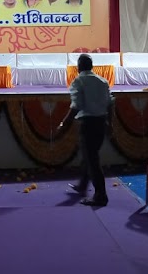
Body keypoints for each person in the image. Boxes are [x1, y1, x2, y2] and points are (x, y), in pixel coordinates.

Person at [58, 54, 113, 207]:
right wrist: (110, 124)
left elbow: (76, 106)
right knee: (89, 155)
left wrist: (64, 124)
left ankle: (101, 195)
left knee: (92, 160)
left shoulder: (78, 81)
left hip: (88, 124)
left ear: (78, 68)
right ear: (92, 66)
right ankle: (83, 185)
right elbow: (110, 103)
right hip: (101, 122)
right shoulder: (103, 81)